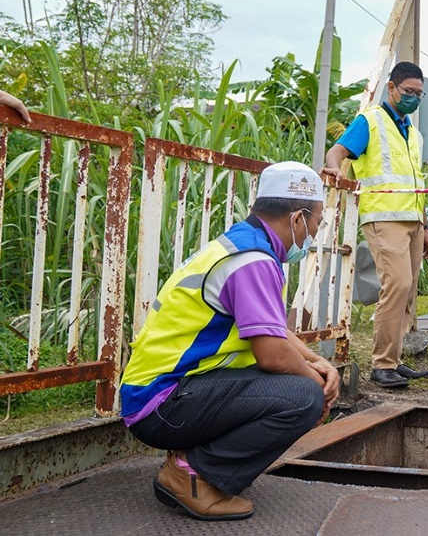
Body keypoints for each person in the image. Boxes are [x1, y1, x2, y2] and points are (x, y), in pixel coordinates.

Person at [119, 161, 339, 521]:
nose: (315, 232)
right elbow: (272, 355)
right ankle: (192, 475)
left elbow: (271, 328)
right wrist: (319, 387)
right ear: (298, 219)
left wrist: (316, 362)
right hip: (162, 402)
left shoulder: (242, 245)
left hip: (162, 393)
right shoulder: (253, 260)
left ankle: (194, 461)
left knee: (302, 385)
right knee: (303, 398)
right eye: (317, 222)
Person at [322, 61, 428, 389]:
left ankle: (394, 360)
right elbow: (337, 152)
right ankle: (382, 364)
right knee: (397, 284)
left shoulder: (414, 134)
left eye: (419, 94)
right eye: (408, 91)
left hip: (413, 218)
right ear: (392, 88)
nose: (413, 98)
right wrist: (334, 169)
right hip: (383, 217)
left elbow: (417, 182)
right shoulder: (370, 120)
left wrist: (426, 227)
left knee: (408, 290)